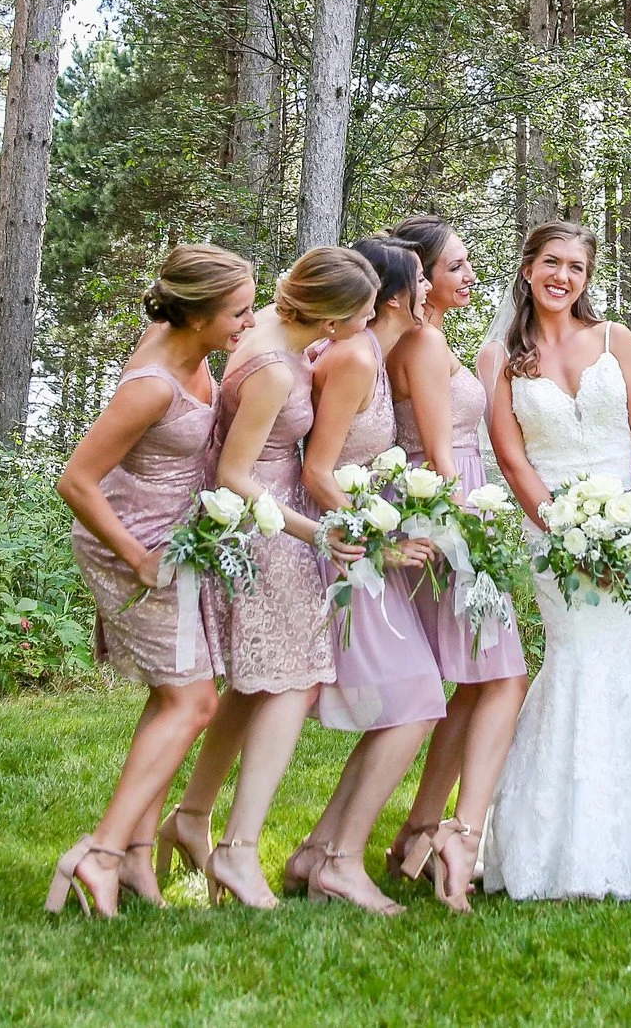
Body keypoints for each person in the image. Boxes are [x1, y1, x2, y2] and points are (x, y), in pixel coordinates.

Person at [478, 220, 631, 900]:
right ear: (528, 267)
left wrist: (629, 525)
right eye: (552, 262)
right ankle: (551, 845)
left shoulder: (615, 339)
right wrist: (561, 527)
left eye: (576, 266)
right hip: (552, 532)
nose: (563, 277)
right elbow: (512, 457)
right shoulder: (499, 357)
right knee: (573, 659)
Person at [159, 246, 379, 909]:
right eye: (362, 316)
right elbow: (235, 471)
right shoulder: (277, 371)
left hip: (268, 522)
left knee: (256, 684)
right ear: (335, 322)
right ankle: (239, 848)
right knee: (299, 680)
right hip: (268, 530)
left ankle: (193, 816)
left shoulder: (258, 326)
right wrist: (319, 533)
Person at [45, 244, 256, 916]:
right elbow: (75, 481)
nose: (247, 325)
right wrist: (137, 556)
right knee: (194, 700)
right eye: (239, 313)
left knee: (177, 697)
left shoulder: (188, 344)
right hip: (132, 547)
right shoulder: (152, 384)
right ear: (195, 316)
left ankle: (135, 854)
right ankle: (99, 854)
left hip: (173, 539)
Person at [282, 238, 442, 915]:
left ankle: (318, 850)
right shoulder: (351, 357)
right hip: (347, 555)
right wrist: (381, 537)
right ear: (398, 293)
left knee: (412, 703)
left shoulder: (376, 355)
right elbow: (317, 470)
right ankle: (340, 860)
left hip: (368, 549)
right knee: (414, 700)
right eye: (424, 278)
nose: (434, 287)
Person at [381, 215, 526, 914]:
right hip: (446, 516)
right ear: (422, 276)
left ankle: (418, 828)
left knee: (473, 682)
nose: (471, 275)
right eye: (458, 266)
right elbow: (439, 454)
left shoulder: (428, 337)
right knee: (503, 676)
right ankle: (457, 834)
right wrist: (472, 532)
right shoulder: (425, 342)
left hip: (450, 507)